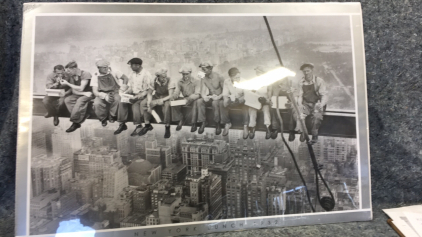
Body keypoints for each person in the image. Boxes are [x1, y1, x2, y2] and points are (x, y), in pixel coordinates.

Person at [114, 58, 153, 136]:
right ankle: (122, 124)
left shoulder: (146, 74)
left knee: (135, 105)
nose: (130, 67)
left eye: (131, 65)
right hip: (133, 94)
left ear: (137, 65)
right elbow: (130, 87)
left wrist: (138, 96)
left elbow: (148, 90)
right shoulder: (132, 74)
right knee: (122, 102)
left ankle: (138, 125)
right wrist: (124, 93)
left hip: (143, 95)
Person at [292, 63, 328, 144]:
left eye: (308, 71)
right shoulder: (301, 82)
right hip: (306, 103)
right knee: (299, 114)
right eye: (304, 71)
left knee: (316, 117)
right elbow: (300, 95)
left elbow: (324, 95)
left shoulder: (319, 81)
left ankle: (314, 136)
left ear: (312, 71)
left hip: (317, 103)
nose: (306, 73)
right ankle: (303, 132)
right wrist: (300, 104)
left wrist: (321, 105)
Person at [91, 59, 128, 127]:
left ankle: (112, 115)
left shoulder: (114, 71)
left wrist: (123, 88)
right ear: (98, 68)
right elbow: (95, 91)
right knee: (97, 103)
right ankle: (103, 119)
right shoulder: (95, 75)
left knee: (117, 100)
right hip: (101, 93)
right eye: (104, 67)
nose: (106, 69)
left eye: (107, 67)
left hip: (114, 91)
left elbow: (125, 78)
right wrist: (104, 96)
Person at [222, 67, 256, 139]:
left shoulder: (244, 81)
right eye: (235, 78)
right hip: (233, 99)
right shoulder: (226, 81)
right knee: (223, 104)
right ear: (230, 77)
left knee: (245, 106)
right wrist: (226, 100)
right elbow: (225, 93)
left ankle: (245, 126)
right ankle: (227, 123)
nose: (238, 79)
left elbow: (246, 95)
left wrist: (239, 100)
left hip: (242, 100)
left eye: (238, 77)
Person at [140, 68, 176, 138]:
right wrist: (149, 103)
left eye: (165, 76)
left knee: (167, 106)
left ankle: (167, 126)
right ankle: (147, 124)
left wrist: (158, 101)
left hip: (166, 97)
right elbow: (149, 93)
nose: (164, 78)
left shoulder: (170, 80)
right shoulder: (154, 81)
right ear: (158, 77)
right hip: (157, 96)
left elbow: (170, 95)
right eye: (162, 77)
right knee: (143, 103)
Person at [60, 61, 93, 133]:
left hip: (90, 94)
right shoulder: (72, 76)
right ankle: (83, 116)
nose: (68, 72)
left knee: (80, 101)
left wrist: (67, 83)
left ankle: (75, 123)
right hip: (83, 93)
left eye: (69, 70)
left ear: (74, 68)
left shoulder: (85, 74)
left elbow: (81, 88)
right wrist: (84, 93)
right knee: (68, 100)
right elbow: (74, 91)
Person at [199, 61, 230, 136]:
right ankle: (203, 121)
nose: (203, 71)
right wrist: (204, 97)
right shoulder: (203, 78)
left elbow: (226, 91)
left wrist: (219, 96)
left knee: (215, 103)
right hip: (211, 97)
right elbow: (202, 91)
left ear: (210, 69)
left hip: (220, 97)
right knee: (199, 102)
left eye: (204, 69)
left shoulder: (219, 77)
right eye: (202, 69)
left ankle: (217, 123)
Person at [264, 65, 295, 140]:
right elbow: (269, 91)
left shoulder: (289, 81)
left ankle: (291, 130)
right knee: (273, 108)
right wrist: (269, 99)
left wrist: (290, 100)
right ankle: (275, 129)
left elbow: (293, 93)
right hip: (276, 101)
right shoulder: (272, 81)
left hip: (286, 101)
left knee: (292, 109)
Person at [171, 66, 203, 133]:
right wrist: (174, 96)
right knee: (173, 103)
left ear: (190, 73)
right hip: (185, 98)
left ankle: (194, 123)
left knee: (195, 104)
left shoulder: (196, 81)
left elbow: (197, 93)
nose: (185, 76)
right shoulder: (180, 81)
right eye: (183, 74)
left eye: (187, 74)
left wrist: (190, 98)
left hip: (194, 98)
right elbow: (177, 91)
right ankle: (180, 119)